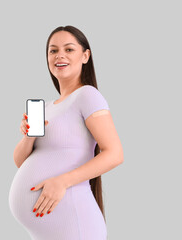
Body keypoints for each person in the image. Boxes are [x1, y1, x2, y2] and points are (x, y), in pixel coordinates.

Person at [8, 25, 124, 240]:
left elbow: (114, 154)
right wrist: (29, 136)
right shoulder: (47, 107)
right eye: (53, 51)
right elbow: (20, 162)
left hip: (75, 225)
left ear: (85, 55)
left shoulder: (87, 96)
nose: (59, 55)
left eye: (69, 49)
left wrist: (62, 182)